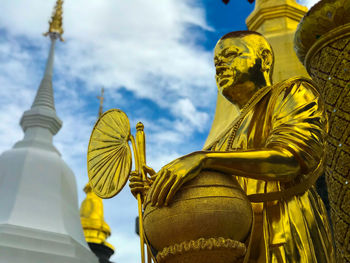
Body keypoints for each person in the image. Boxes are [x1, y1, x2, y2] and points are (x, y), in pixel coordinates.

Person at [130, 31, 335, 262]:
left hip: (281, 227)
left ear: (265, 59)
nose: (220, 67)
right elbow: (207, 196)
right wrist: (158, 191)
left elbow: (292, 158)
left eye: (230, 55)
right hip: (234, 244)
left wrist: (203, 160)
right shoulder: (219, 142)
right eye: (216, 63)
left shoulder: (291, 93)